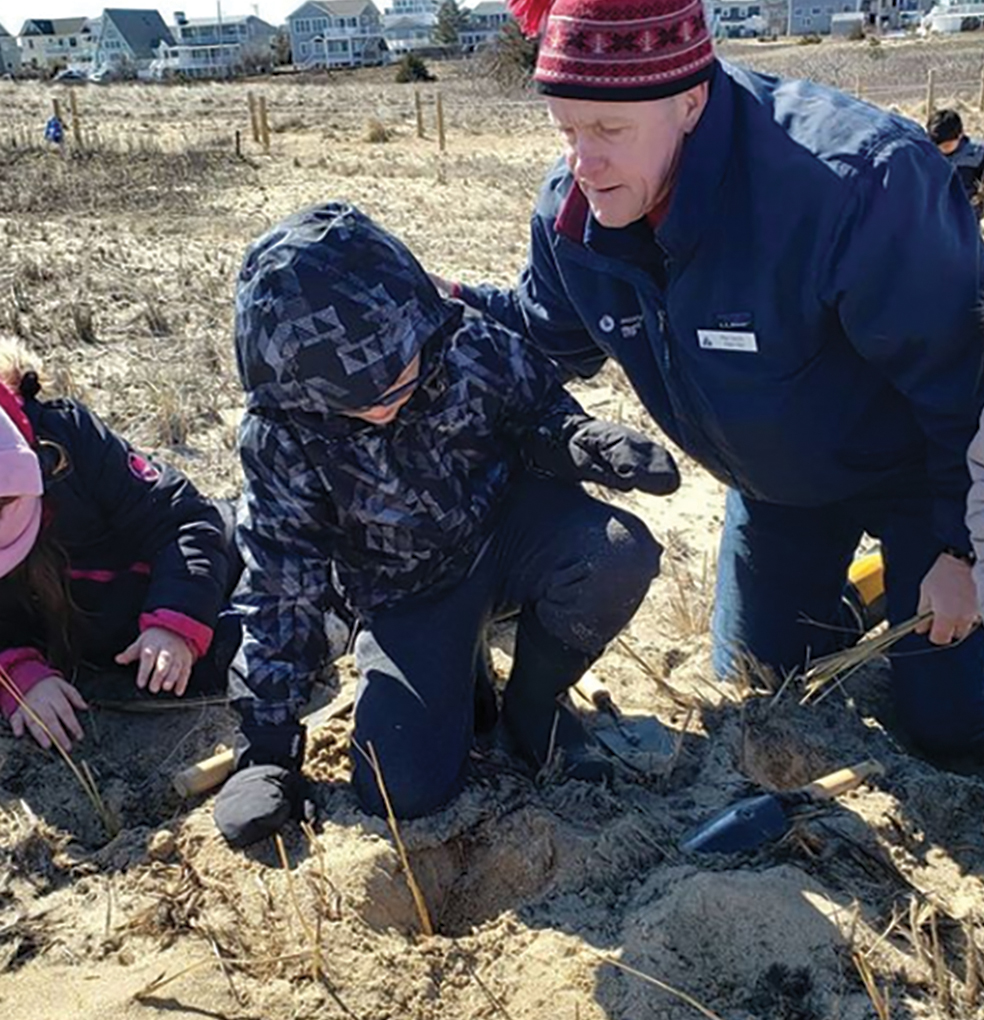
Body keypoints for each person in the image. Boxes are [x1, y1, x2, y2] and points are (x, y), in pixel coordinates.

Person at [440, 0, 984, 756]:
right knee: (759, 682)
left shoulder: (857, 186)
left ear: (690, 100)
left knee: (954, 731)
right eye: (566, 129)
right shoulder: (576, 212)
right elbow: (546, 335)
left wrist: (964, 551)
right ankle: (870, 584)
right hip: (780, 487)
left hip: (926, 476)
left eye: (608, 130)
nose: (582, 162)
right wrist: (441, 309)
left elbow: (966, 380)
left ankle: (915, 573)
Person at [214, 201, 675, 848]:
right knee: (403, 789)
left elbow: (536, 405)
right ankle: (466, 680)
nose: (382, 407)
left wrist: (575, 441)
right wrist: (266, 746)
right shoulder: (281, 436)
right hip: (406, 589)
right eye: (354, 401)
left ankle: (535, 705)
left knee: (616, 554)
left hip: (508, 530)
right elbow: (279, 584)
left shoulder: (463, 338)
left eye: (395, 378)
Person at [0, 337, 238, 754]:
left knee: (247, 647)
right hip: (97, 648)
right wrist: (16, 674)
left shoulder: (70, 442)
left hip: (188, 582)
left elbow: (182, 520)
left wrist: (174, 624)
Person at [927, 108, 984, 215]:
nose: (941, 149)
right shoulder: (924, 153)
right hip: (935, 213)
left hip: (966, 214)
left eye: (946, 145)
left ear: (960, 135)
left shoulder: (977, 154)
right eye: (936, 144)